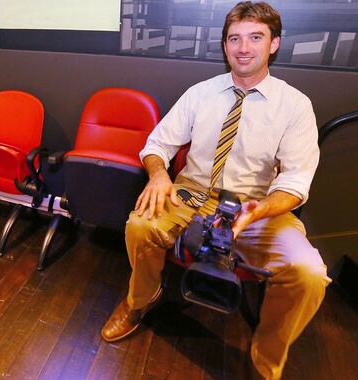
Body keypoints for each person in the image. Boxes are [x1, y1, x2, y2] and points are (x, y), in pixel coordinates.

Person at [100, 2, 331, 379]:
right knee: (140, 225)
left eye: (255, 37)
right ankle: (140, 300)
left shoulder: (295, 106)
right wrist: (159, 175)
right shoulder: (200, 94)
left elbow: (294, 183)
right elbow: (157, 144)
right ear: (224, 46)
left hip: (257, 205)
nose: (244, 48)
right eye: (235, 38)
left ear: (274, 44)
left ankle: (265, 360)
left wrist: (256, 212)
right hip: (192, 193)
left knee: (308, 273)